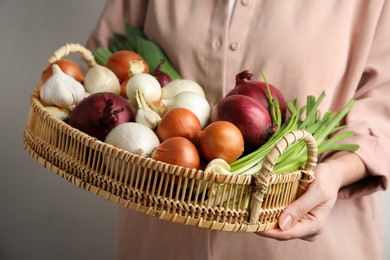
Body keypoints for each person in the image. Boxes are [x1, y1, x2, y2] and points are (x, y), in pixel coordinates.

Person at [86, 1, 390, 259]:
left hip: (302, 241)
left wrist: (336, 173)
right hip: (161, 234)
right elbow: (104, 66)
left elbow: (383, 105)